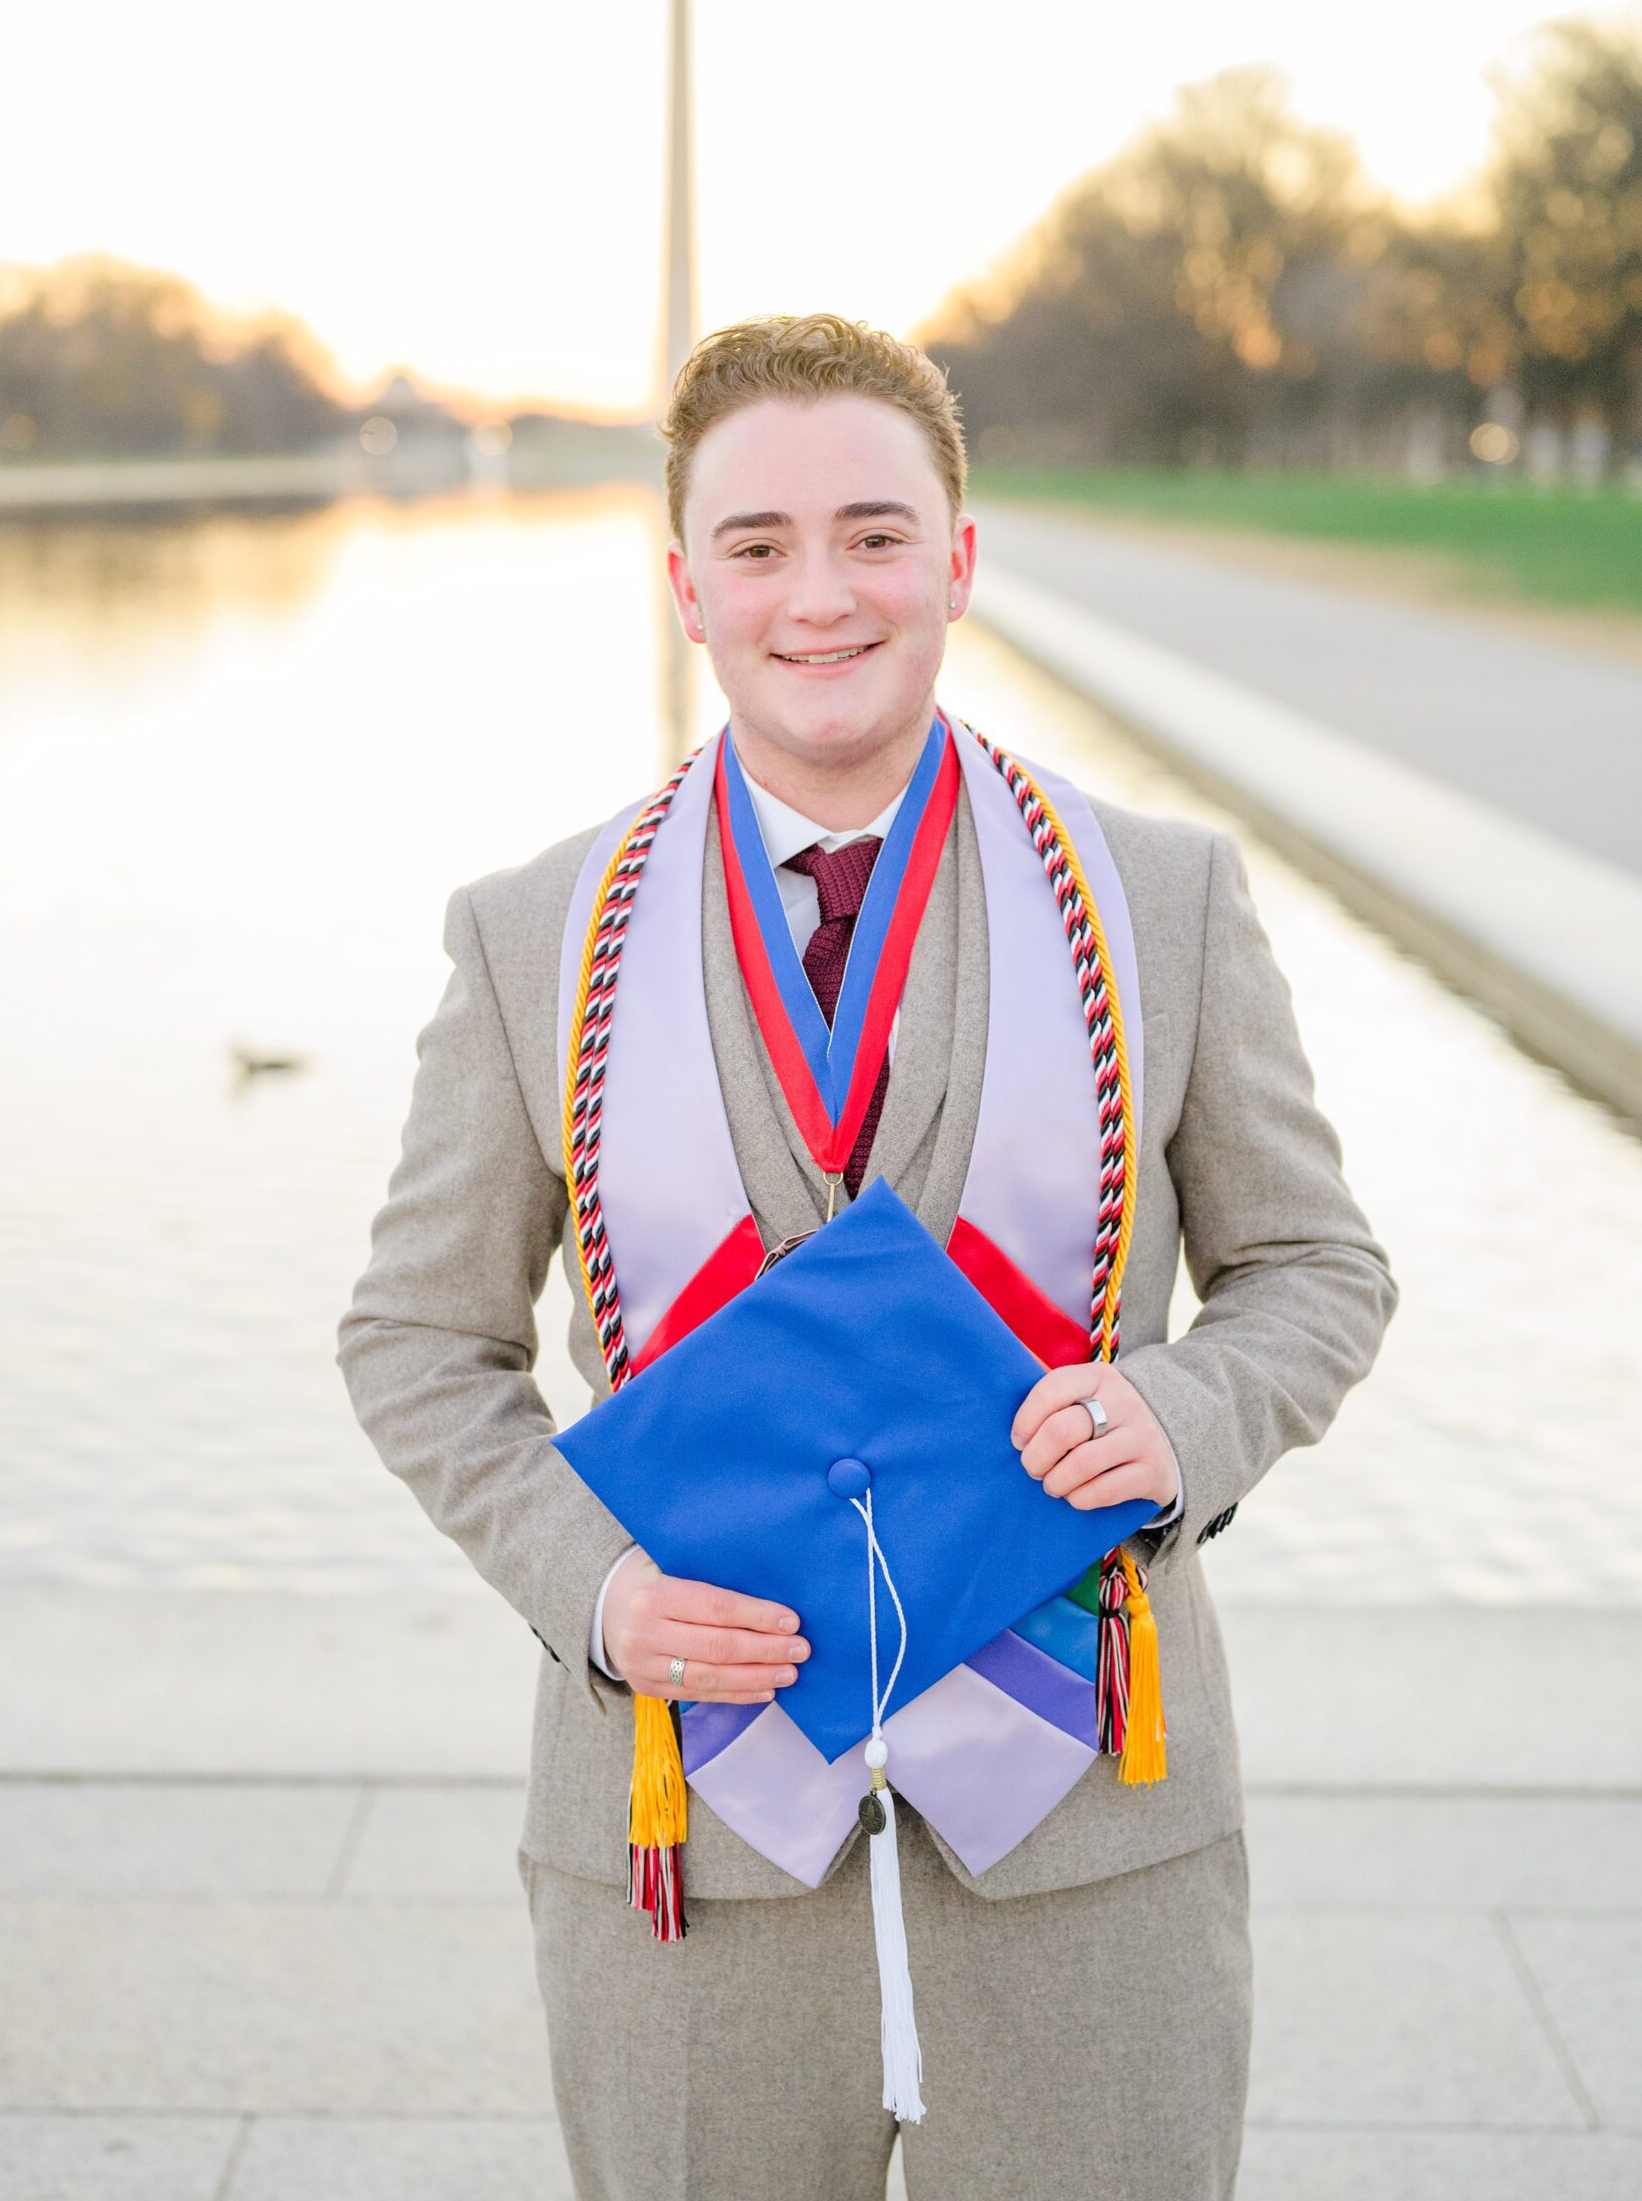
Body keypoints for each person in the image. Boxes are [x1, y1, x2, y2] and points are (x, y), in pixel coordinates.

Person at [337, 313, 1397, 2201]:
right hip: (691, 1841)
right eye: (756, 545)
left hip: (1092, 1829)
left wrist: (1183, 1416)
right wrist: (593, 1592)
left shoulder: (1161, 899)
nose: (818, 594)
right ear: (685, 586)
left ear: (962, 559)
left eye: (876, 533)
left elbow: (1317, 1266)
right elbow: (419, 1340)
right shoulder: (531, 938)